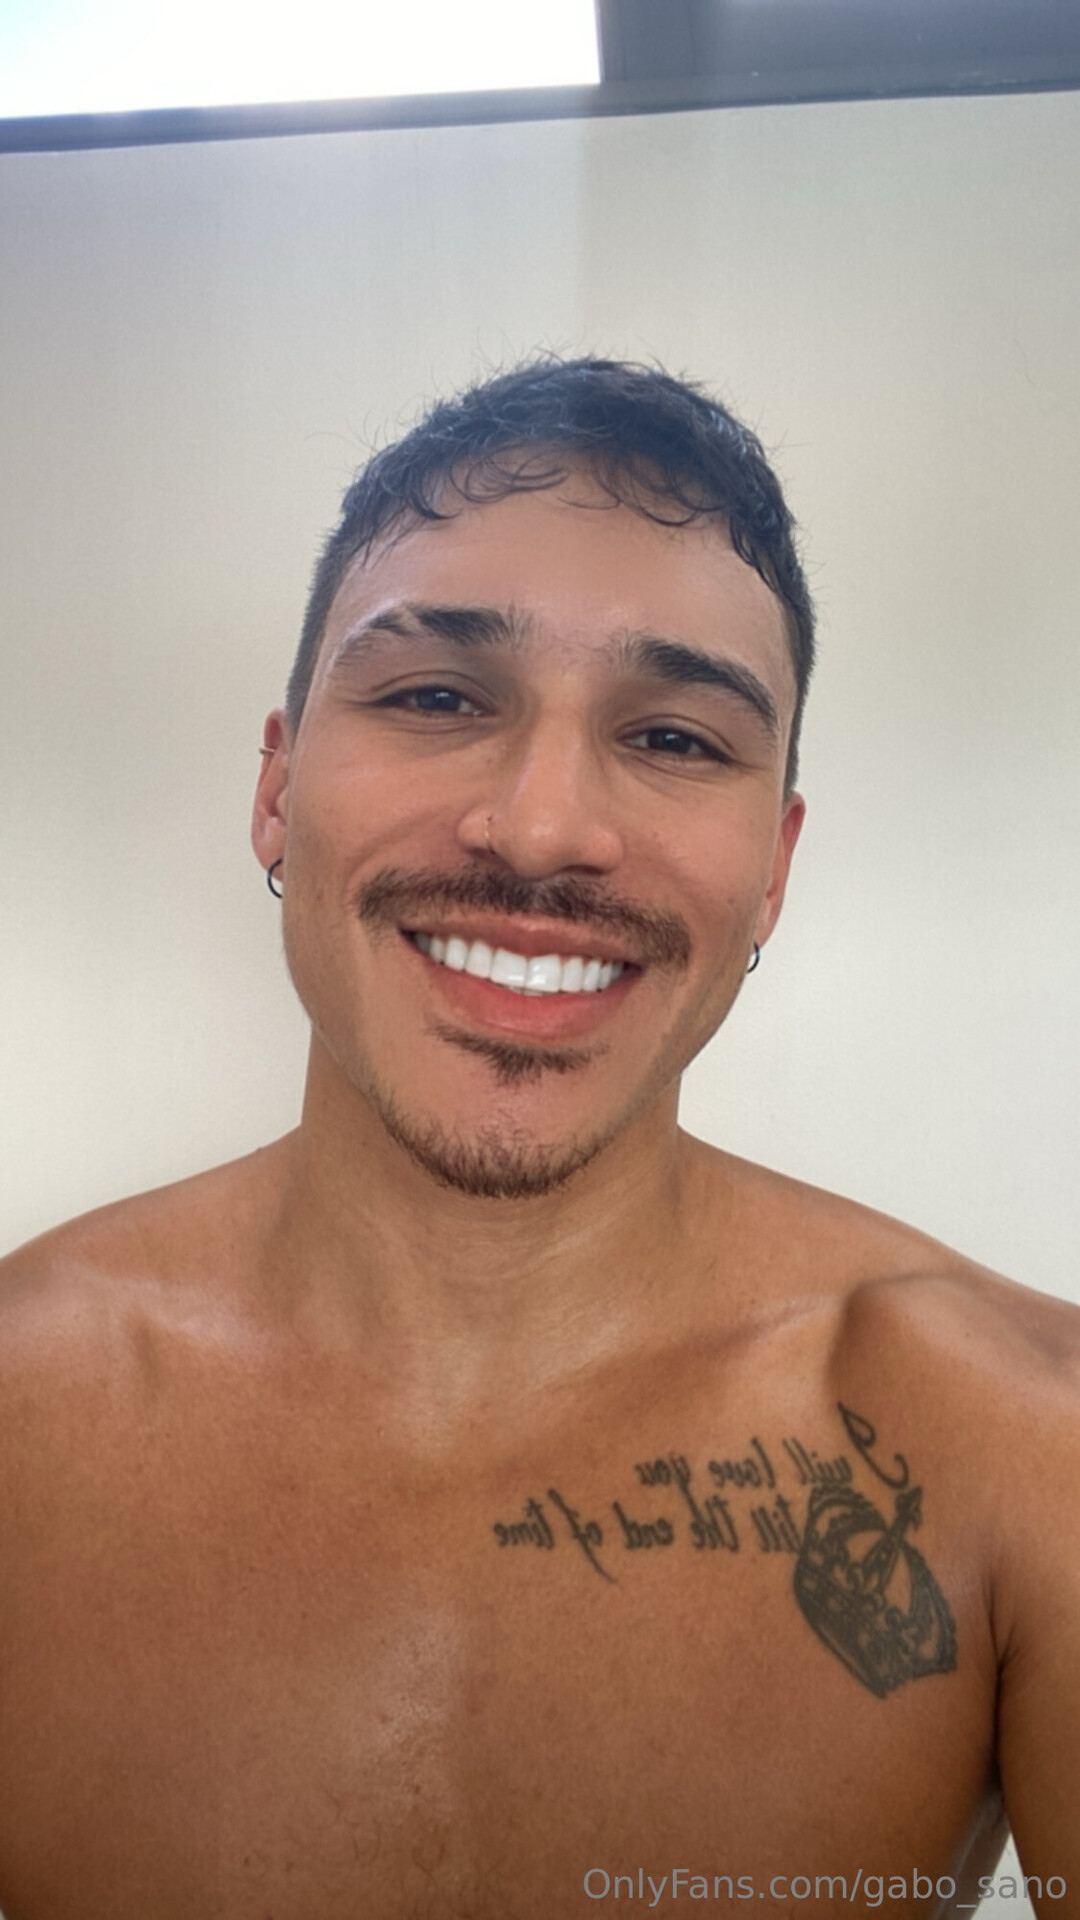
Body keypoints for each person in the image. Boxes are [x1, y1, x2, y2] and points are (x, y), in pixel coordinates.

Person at [0, 357, 1075, 1920]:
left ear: (774, 870)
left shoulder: (1032, 1446)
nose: (545, 826)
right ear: (277, 786)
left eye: (677, 738)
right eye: (438, 697)